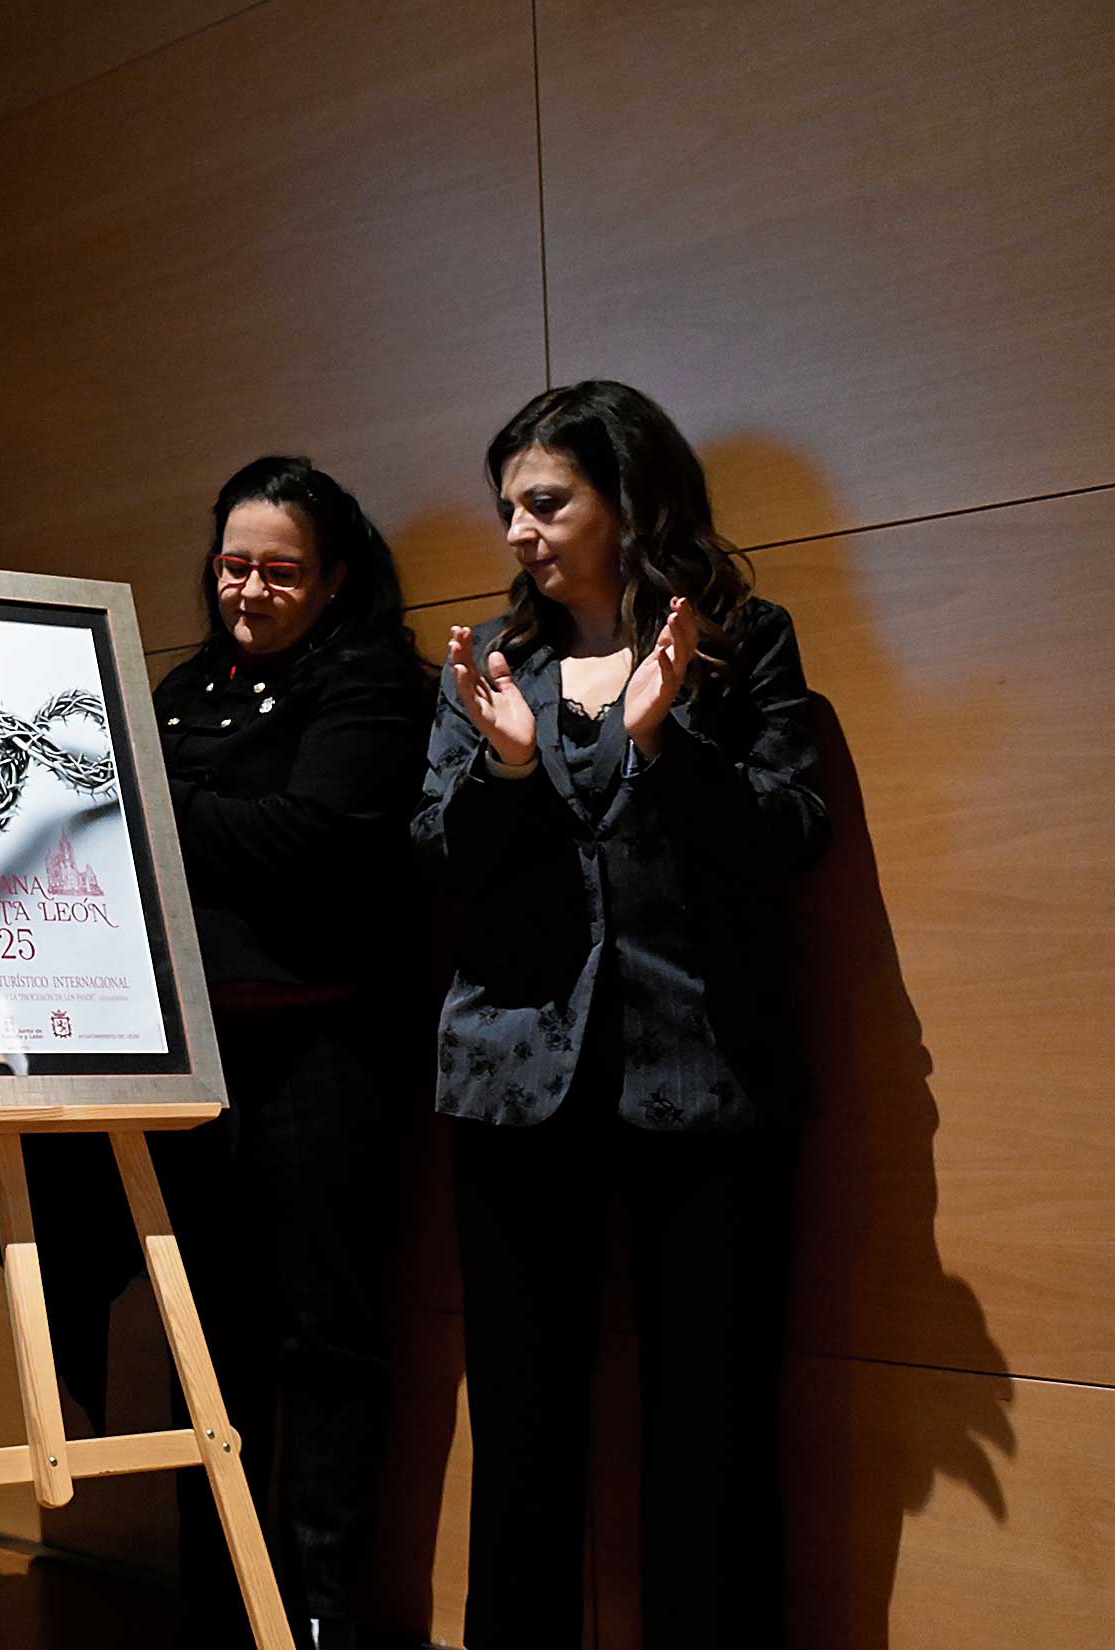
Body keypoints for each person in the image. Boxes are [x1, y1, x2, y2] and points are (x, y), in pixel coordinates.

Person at [413, 381, 828, 1649]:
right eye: (508, 510)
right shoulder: (489, 667)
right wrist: (505, 766)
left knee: (707, 1424)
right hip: (512, 1081)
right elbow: (436, 861)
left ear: (624, 499)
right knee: (525, 1427)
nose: (519, 534)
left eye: (546, 502)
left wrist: (665, 748)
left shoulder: (739, 642)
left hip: (699, 1076)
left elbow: (790, 839)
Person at [30, 458, 432, 1650]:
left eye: (278, 570)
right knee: (210, 1348)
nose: (247, 589)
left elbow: (312, 839)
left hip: (324, 1056)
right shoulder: (183, 687)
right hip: (189, 1064)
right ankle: (221, 1609)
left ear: (336, 577)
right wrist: (170, 806)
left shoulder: (369, 682)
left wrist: (149, 796)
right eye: (231, 565)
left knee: (322, 1341)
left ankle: (315, 1615)